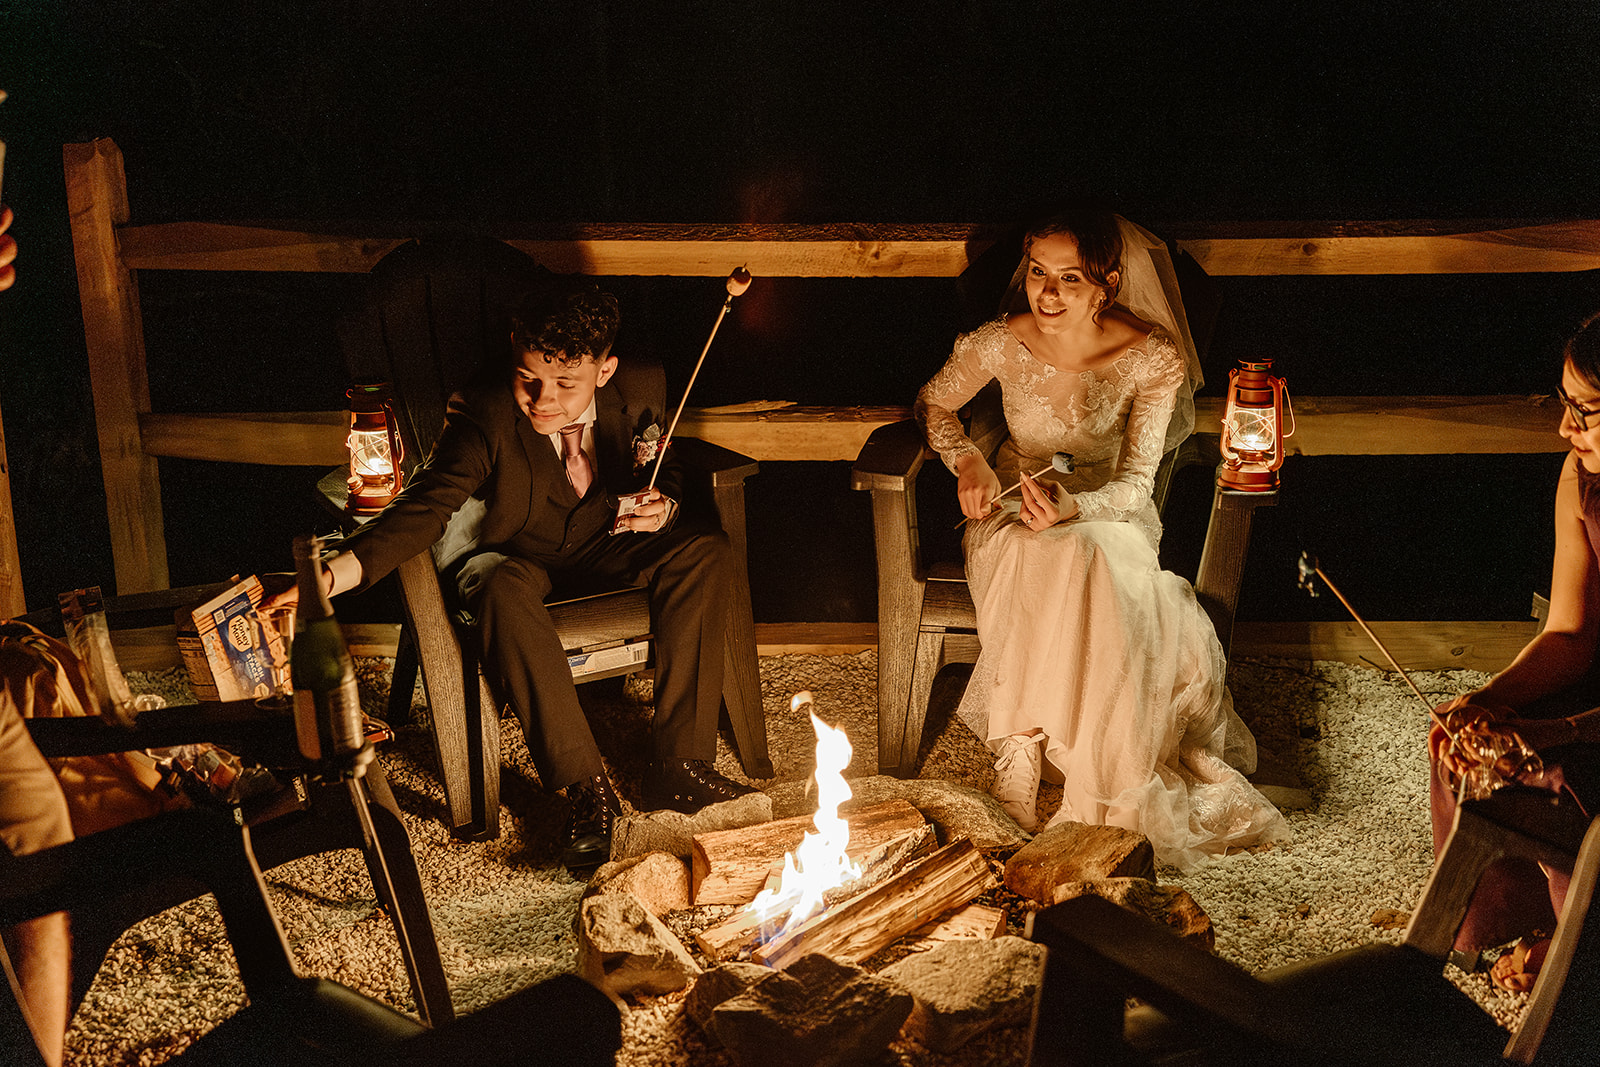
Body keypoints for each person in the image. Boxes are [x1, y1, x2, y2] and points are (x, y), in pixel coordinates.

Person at [271, 280, 755, 870]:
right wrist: (330, 577)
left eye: (565, 384)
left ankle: (678, 766)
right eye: (530, 377)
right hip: (513, 552)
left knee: (708, 549)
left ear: (606, 371)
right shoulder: (486, 410)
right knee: (496, 586)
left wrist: (666, 504)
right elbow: (425, 505)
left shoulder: (644, 386)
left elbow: (664, 461)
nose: (542, 400)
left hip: (608, 534)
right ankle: (584, 789)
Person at [915, 205, 1288, 871]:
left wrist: (1076, 507)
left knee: (1081, 552)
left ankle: (1031, 744)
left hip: (1105, 515)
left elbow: (1137, 484)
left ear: (1108, 285)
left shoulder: (1151, 358)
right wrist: (968, 460)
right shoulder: (1001, 341)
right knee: (1033, 549)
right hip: (1010, 502)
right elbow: (934, 404)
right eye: (1037, 274)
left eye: (1069, 279)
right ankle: (1020, 751)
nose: (1048, 294)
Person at [1428, 311, 1600, 992]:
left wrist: (1549, 729)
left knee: (1554, 769)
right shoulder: (1579, 477)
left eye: (1586, 411)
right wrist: (1487, 701)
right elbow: (1571, 631)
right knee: (1460, 733)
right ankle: (1504, 921)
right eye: (1565, 405)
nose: (1565, 428)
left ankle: (1578, 959)